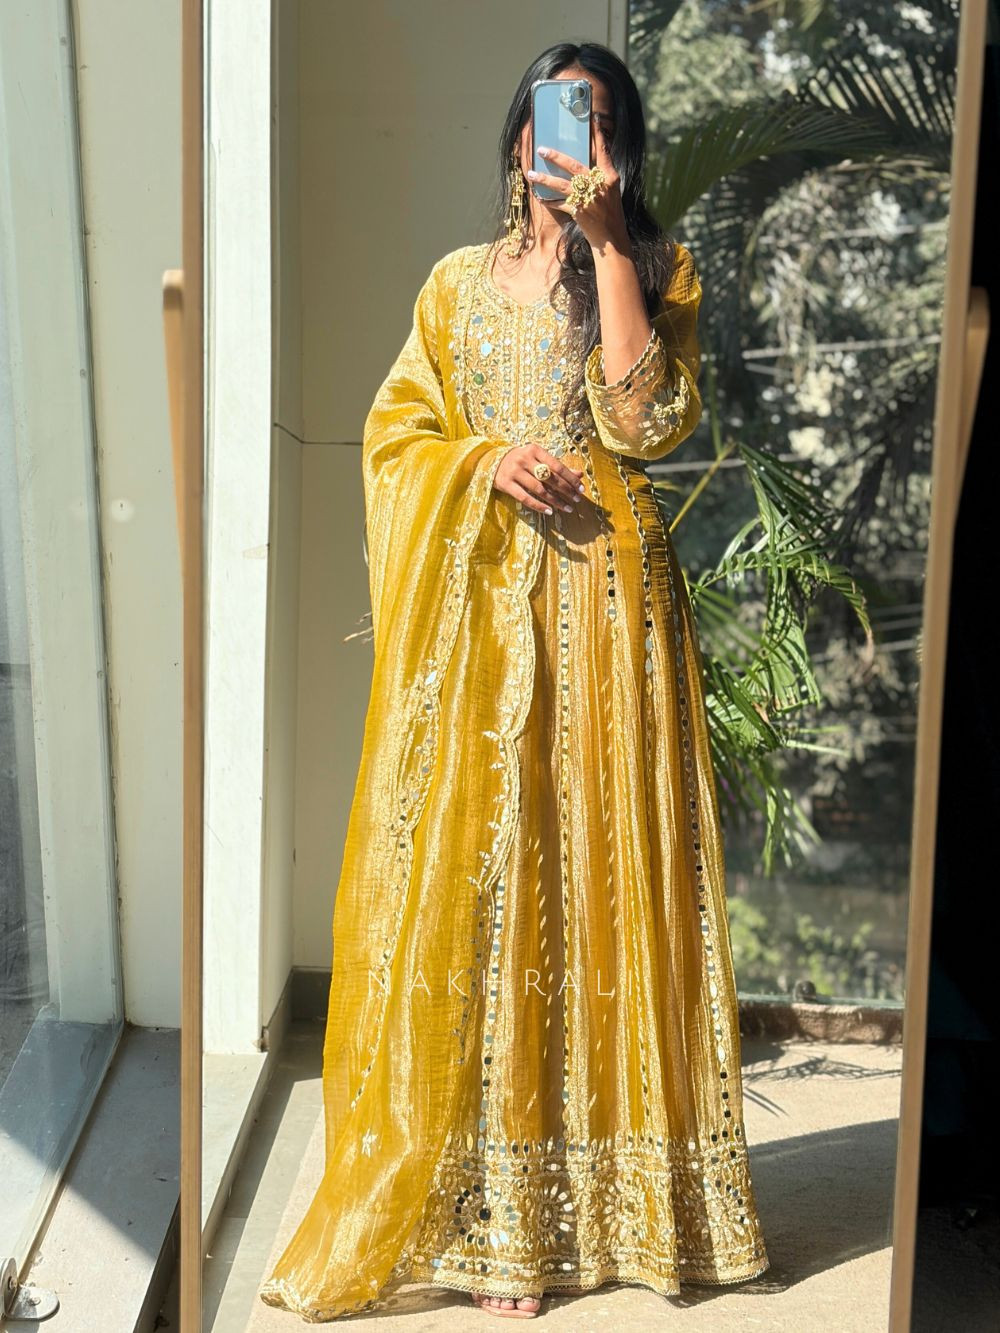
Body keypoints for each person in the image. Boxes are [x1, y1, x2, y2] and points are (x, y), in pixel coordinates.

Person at [259, 39, 770, 1323]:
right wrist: (481, 462)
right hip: (483, 617)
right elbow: (397, 435)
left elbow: (646, 422)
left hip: (610, 614)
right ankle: (496, 1224)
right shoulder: (453, 285)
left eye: (594, 121)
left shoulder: (657, 268)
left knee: (601, 878)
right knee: (490, 886)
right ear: (516, 136)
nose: (568, 139)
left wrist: (606, 246)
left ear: (619, 149)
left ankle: (623, 1213)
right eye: (554, 115)